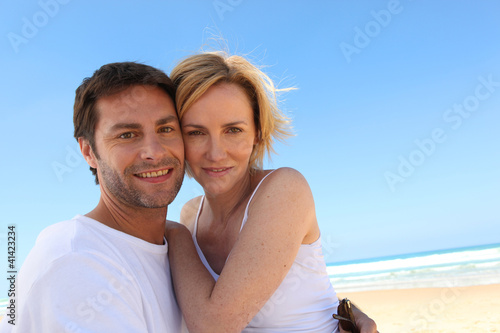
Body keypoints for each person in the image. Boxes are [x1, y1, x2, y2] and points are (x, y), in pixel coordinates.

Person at [165, 52, 378, 333]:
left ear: (258, 134)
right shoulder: (189, 215)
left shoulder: (284, 189)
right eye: (196, 133)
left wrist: (173, 233)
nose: (216, 153)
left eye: (233, 130)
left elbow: (213, 325)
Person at [0, 62, 187, 332]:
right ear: (88, 151)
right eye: (127, 135)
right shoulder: (78, 262)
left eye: (166, 129)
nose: (154, 152)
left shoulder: (175, 251)